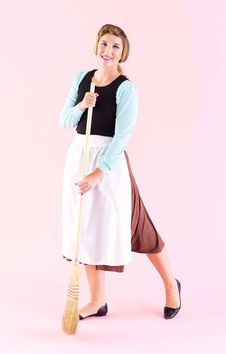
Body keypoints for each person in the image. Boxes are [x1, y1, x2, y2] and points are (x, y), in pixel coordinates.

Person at [59, 24, 181, 321]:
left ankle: (171, 287)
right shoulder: (83, 78)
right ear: (96, 46)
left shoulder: (126, 88)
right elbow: (64, 122)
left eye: (115, 46)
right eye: (104, 44)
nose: (108, 51)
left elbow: (122, 137)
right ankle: (97, 300)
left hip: (109, 165)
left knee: (140, 227)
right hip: (79, 156)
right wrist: (81, 106)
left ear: (123, 51)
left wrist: (98, 173)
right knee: (84, 230)